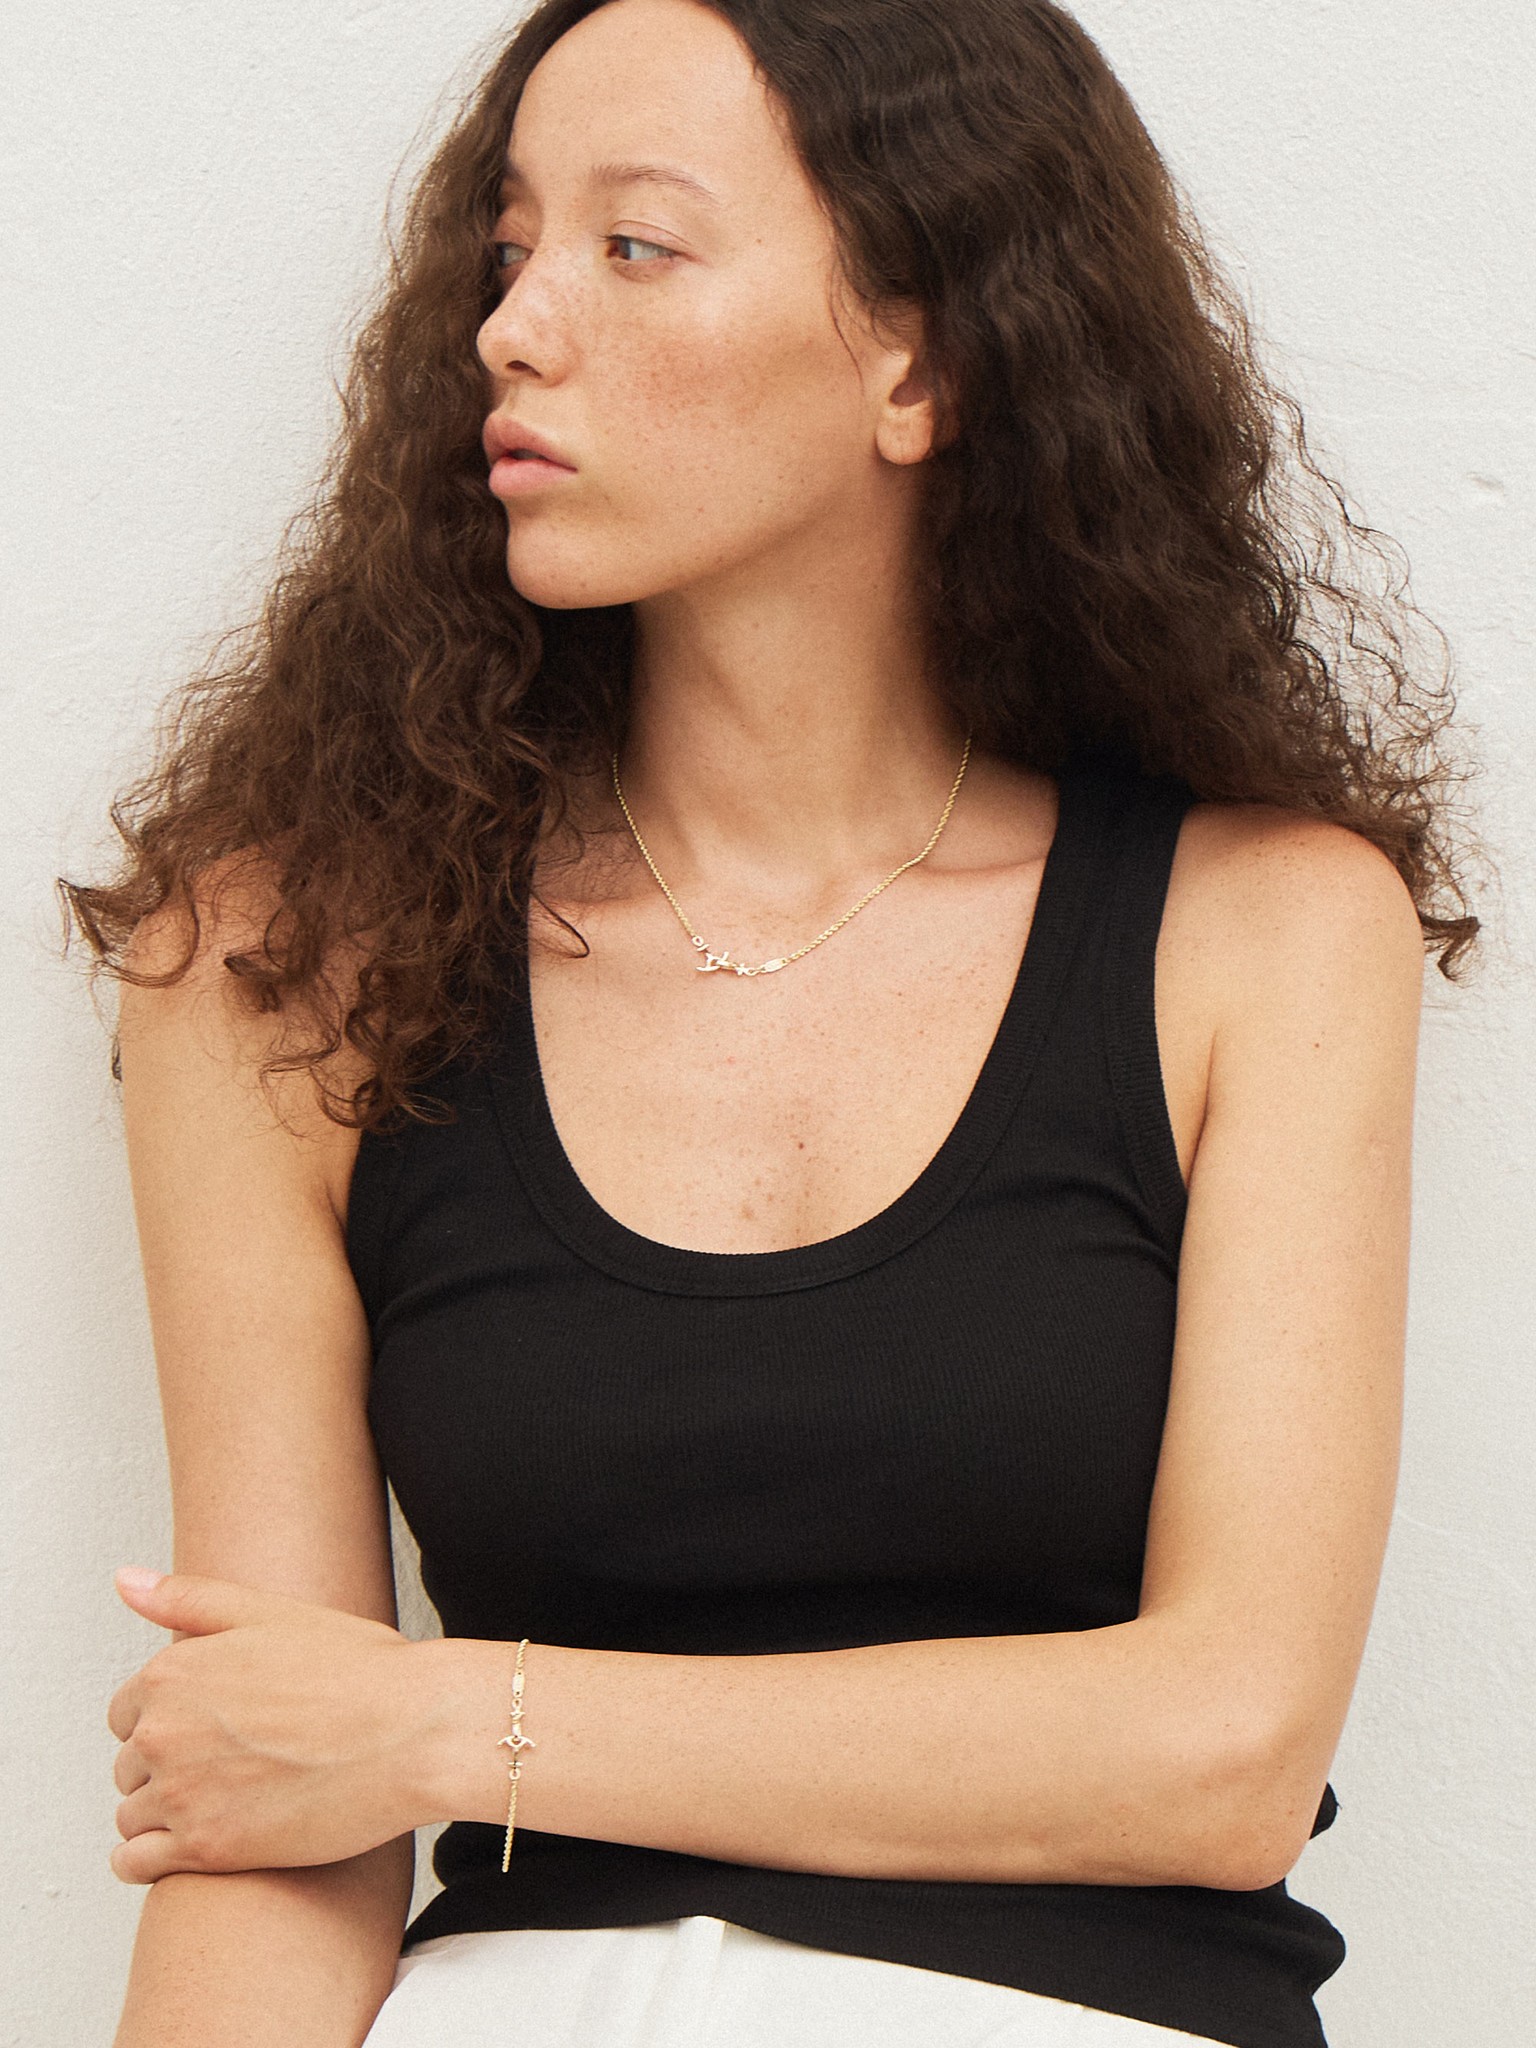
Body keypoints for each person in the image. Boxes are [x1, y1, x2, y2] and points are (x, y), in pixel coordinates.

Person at [64, 2, 1479, 2044]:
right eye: (506, 249)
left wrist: (440, 1720)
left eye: (634, 246)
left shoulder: (1260, 932)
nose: (513, 328)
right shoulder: (285, 959)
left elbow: (1224, 1751)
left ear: (924, 360)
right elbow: (273, 1809)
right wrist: (349, 1747)